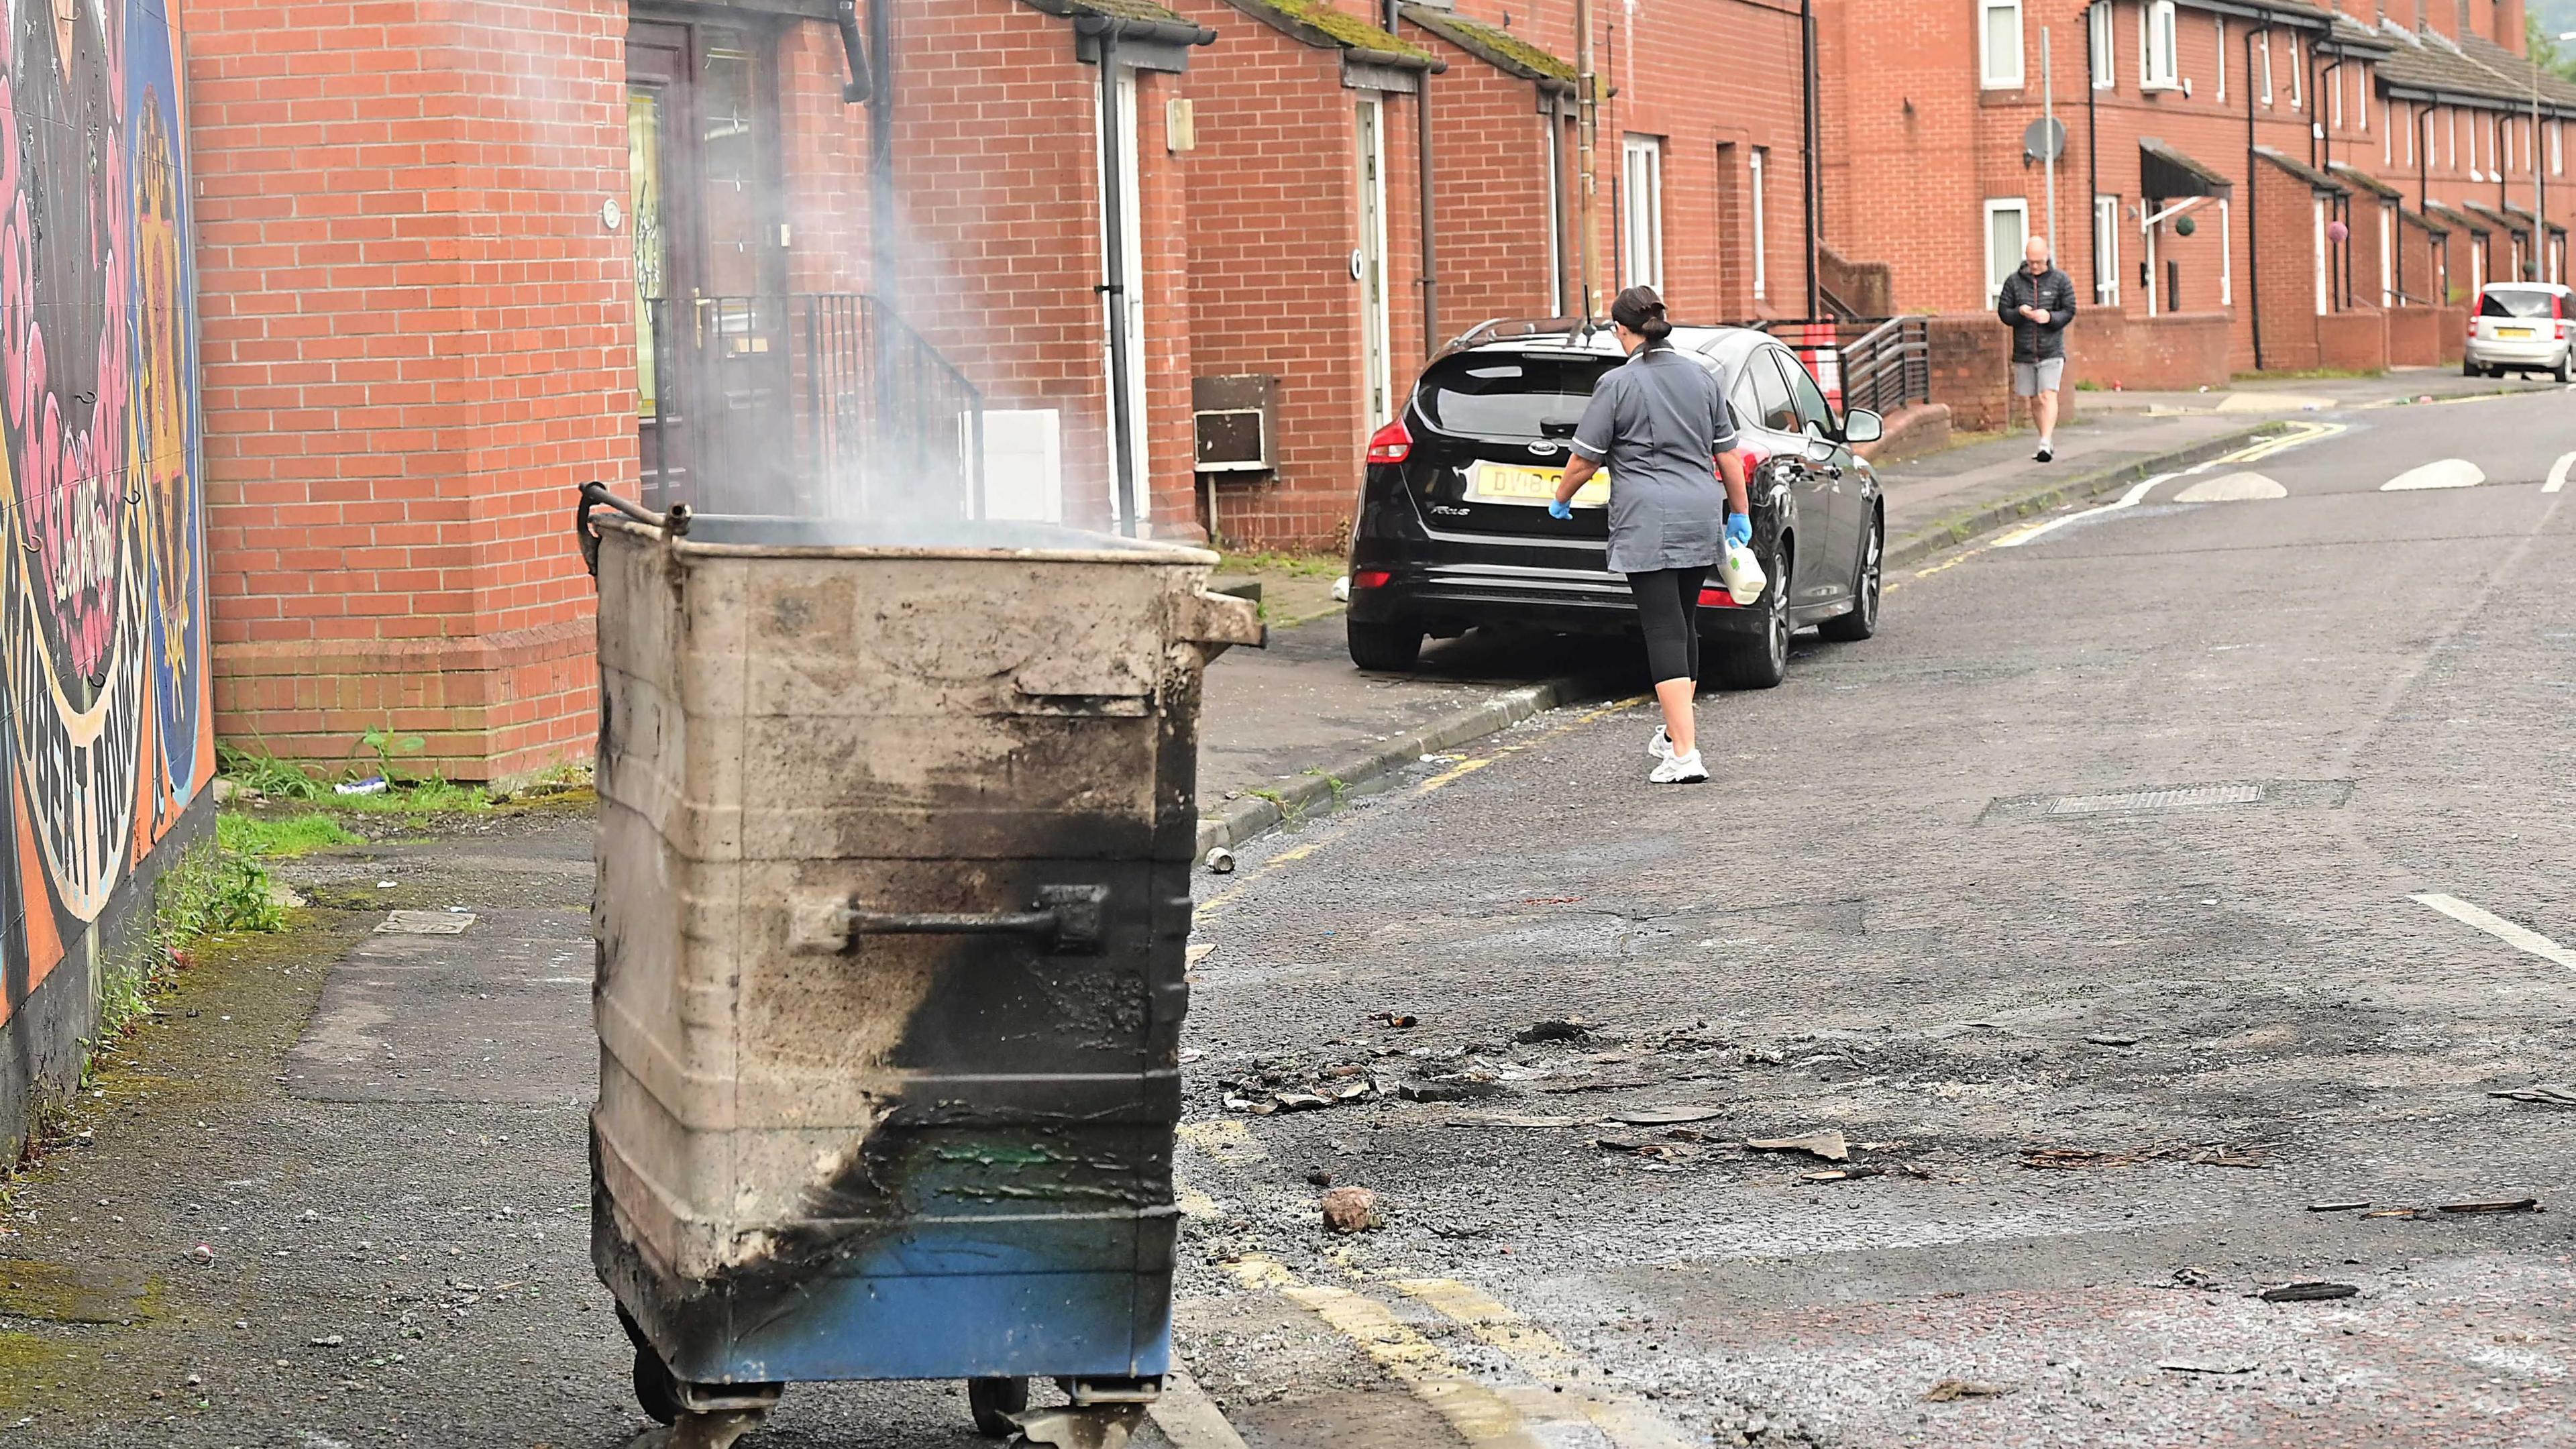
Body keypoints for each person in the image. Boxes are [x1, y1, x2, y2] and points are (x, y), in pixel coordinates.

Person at [1550, 286, 1751, 785]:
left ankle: (1685, 753)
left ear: (1623, 331)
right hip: (1701, 514)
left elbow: (1585, 459)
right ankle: (1673, 734)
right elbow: (1728, 456)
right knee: (1683, 624)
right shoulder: (1702, 378)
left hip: (1649, 520)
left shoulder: (1617, 384)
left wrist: (1561, 497)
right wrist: (1738, 514)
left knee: (1662, 630)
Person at [1996, 235, 2077, 463]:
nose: (2035, 267)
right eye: (2031, 262)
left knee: (2047, 394)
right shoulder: (2014, 282)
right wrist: (2020, 313)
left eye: (2039, 262)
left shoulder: (2060, 280)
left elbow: (2069, 310)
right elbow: (2004, 313)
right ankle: (2044, 438)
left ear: (2047, 257)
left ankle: (2045, 441)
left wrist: (2050, 316)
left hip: (2051, 349)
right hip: (2024, 350)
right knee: (2033, 398)